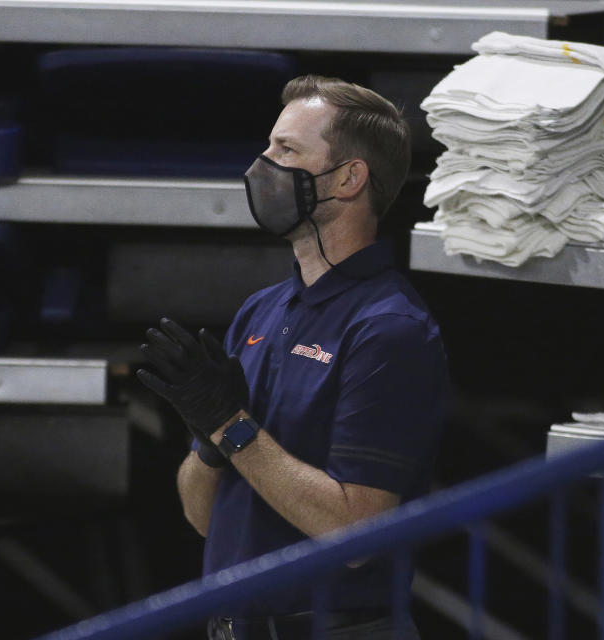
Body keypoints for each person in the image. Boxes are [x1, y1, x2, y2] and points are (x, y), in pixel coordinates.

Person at [137, 75, 449, 640]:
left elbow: (359, 533)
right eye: (267, 147)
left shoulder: (390, 328)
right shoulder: (261, 309)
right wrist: (210, 435)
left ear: (349, 178)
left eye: (287, 151)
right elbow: (204, 518)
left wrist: (232, 428)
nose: (263, 165)